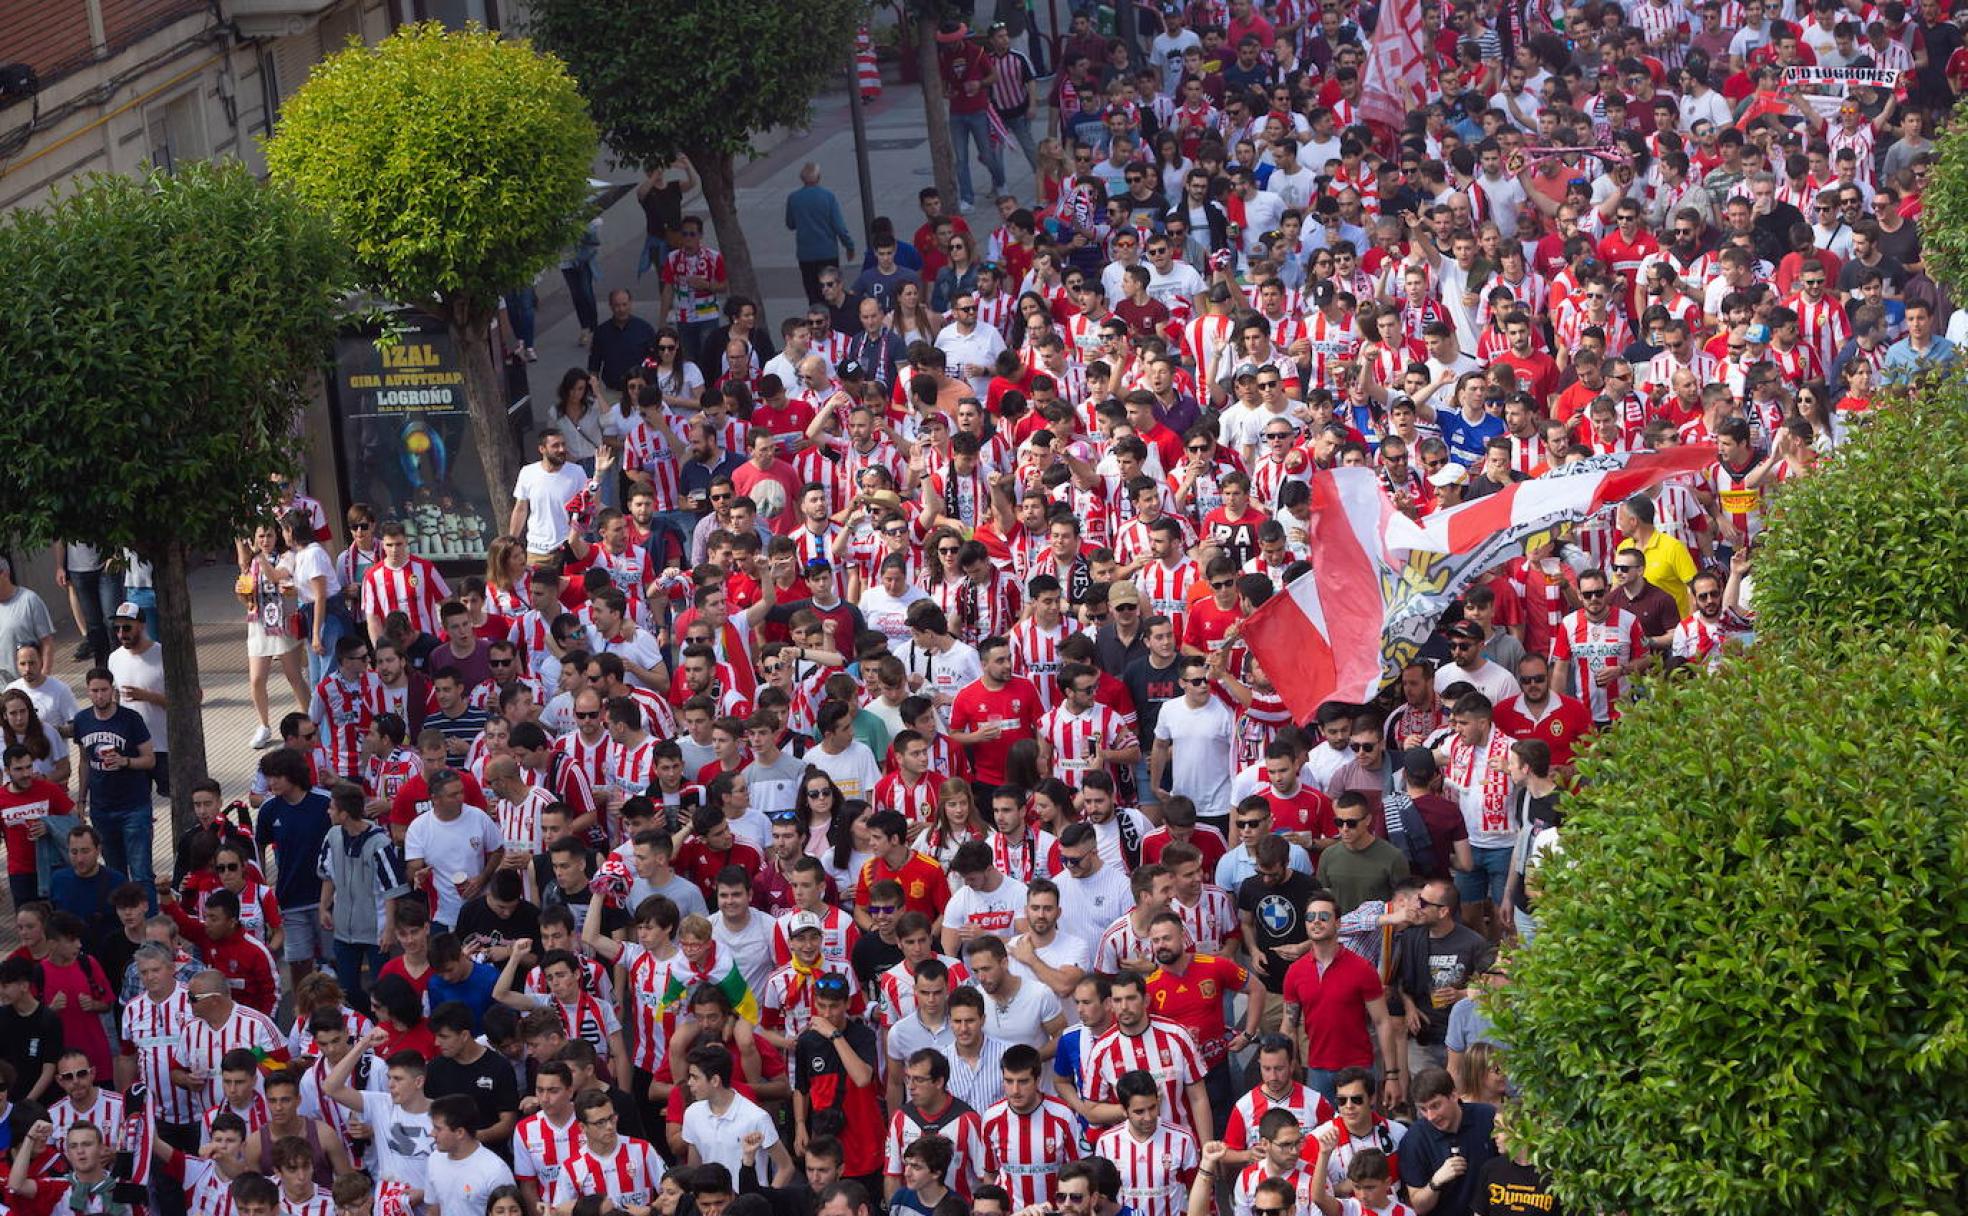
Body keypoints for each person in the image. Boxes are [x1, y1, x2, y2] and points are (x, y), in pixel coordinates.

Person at [71, 667, 158, 886]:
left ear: (112, 690)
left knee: (141, 873)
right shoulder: (82, 720)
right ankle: (120, 919)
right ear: (88, 692)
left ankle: (149, 918)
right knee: (114, 874)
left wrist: (126, 761)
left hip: (134, 807)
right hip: (101, 809)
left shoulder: (131, 719)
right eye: (94, 690)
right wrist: (81, 800)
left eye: (103, 690)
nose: (99, 695)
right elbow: (84, 762)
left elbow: (149, 759)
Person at [786, 163, 858, 304]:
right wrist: (849, 246)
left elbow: (790, 224)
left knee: (813, 293)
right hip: (827, 253)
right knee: (831, 292)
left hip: (806, 254)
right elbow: (839, 226)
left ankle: (816, 319)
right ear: (819, 177)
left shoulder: (794, 198)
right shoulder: (828, 197)